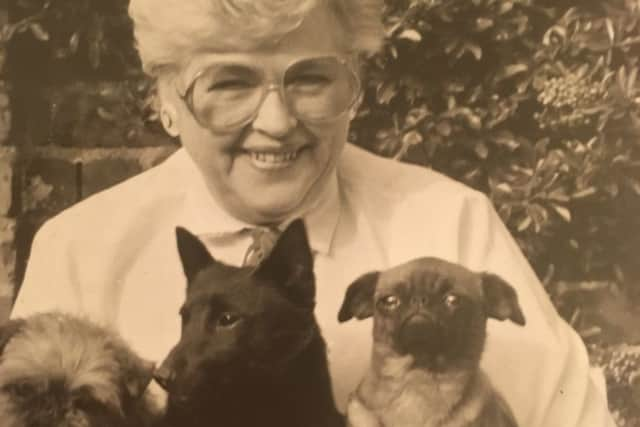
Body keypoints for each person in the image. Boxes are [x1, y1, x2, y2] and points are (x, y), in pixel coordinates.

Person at [12, 0, 615, 425]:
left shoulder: (452, 223)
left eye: (311, 79)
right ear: (167, 102)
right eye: (229, 83)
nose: (276, 122)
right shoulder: (82, 249)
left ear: (354, 89)